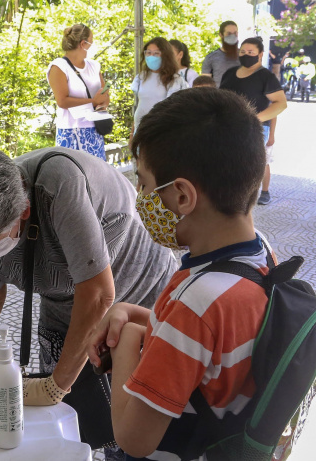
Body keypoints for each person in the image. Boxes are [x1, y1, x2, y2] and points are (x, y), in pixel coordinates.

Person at [87, 88, 272, 460]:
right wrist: (129, 311)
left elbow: (133, 438)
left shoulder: (195, 301)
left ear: (183, 197)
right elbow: (210, 346)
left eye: (144, 183)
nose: (140, 195)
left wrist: (129, 339)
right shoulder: (260, 256)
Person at [0, 142, 178, 409]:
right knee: (70, 410)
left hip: (135, 284)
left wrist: (54, 386)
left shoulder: (61, 184)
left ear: (24, 210)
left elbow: (98, 295)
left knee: (126, 404)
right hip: (66, 293)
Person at [220, 37, 288, 206]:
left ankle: (249, 199)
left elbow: (280, 103)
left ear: (260, 54)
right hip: (228, 127)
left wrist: (254, 119)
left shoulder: (266, 76)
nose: (246, 55)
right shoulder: (229, 73)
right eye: (243, 52)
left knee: (248, 166)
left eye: (250, 52)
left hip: (254, 130)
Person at [46, 23, 110, 159]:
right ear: (83, 44)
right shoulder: (59, 67)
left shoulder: (94, 66)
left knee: (97, 175)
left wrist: (103, 101)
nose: (92, 45)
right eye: (91, 42)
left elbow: (104, 95)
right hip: (70, 131)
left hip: (95, 130)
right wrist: (93, 101)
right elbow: (62, 101)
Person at [131, 37, 188, 142]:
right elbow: (139, 105)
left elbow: (174, 110)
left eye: (156, 53)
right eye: (148, 53)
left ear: (165, 55)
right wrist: (132, 136)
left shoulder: (175, 80)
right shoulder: (141, 77)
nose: (151, 56)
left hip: (162, 135)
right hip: (140, 133)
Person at [200, 20, 241, 86]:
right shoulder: (211, 58)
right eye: (229, 34)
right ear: (221, 35)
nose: (233, 36)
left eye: (235, 33)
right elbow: (205, 86)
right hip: (219, 95)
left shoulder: (244, 56)